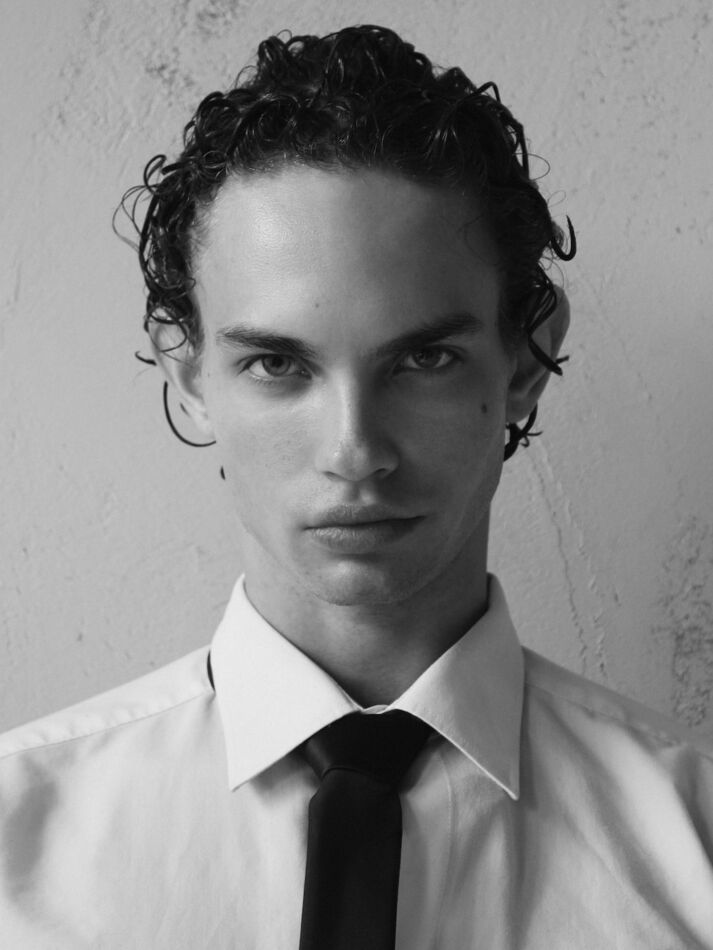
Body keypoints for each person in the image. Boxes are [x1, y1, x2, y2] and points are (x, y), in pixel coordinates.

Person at [1, 23, 712, 950]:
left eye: (423, 359)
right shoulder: (15, 840)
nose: (355, 451)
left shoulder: (695, 845)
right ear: (187, 375)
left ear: (525, 358)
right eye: (276, 364)